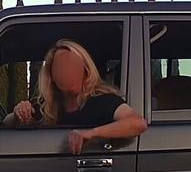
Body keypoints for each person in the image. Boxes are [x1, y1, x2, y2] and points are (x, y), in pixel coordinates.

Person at [3, 39, 147, 154]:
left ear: (85, 71)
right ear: (51, 76)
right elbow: (7, 122)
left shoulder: (102, 100)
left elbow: (137, 123)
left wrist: (91, 134)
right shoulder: (46, 105)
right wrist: (19, 113)